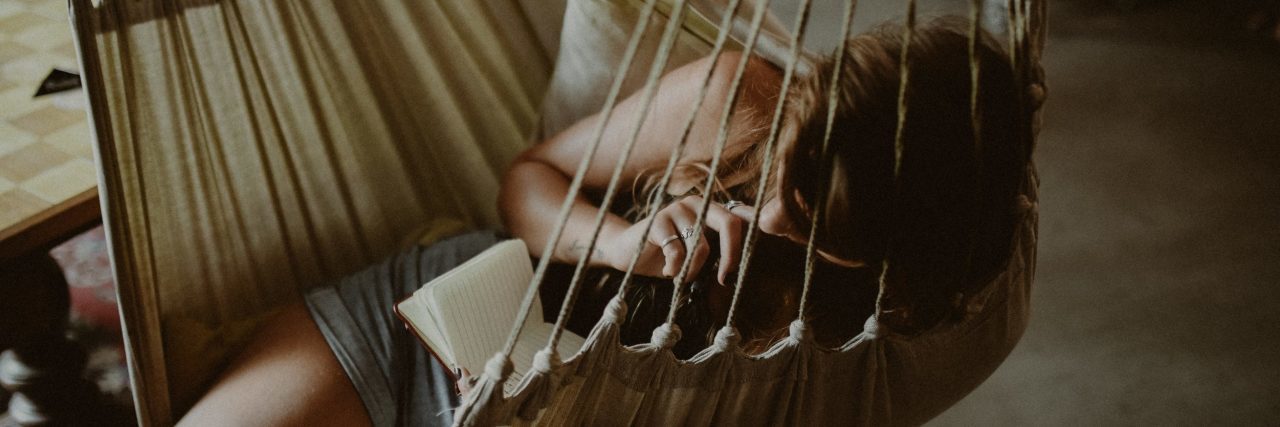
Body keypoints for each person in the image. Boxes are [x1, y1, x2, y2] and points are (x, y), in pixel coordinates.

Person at [180, 16, 1033, 427]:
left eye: (815, 220)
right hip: (441, 321)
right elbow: (528, 177)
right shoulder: (738, 99)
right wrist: (628, 241)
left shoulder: (899, 321)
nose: (768, 213)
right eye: (784, 175)